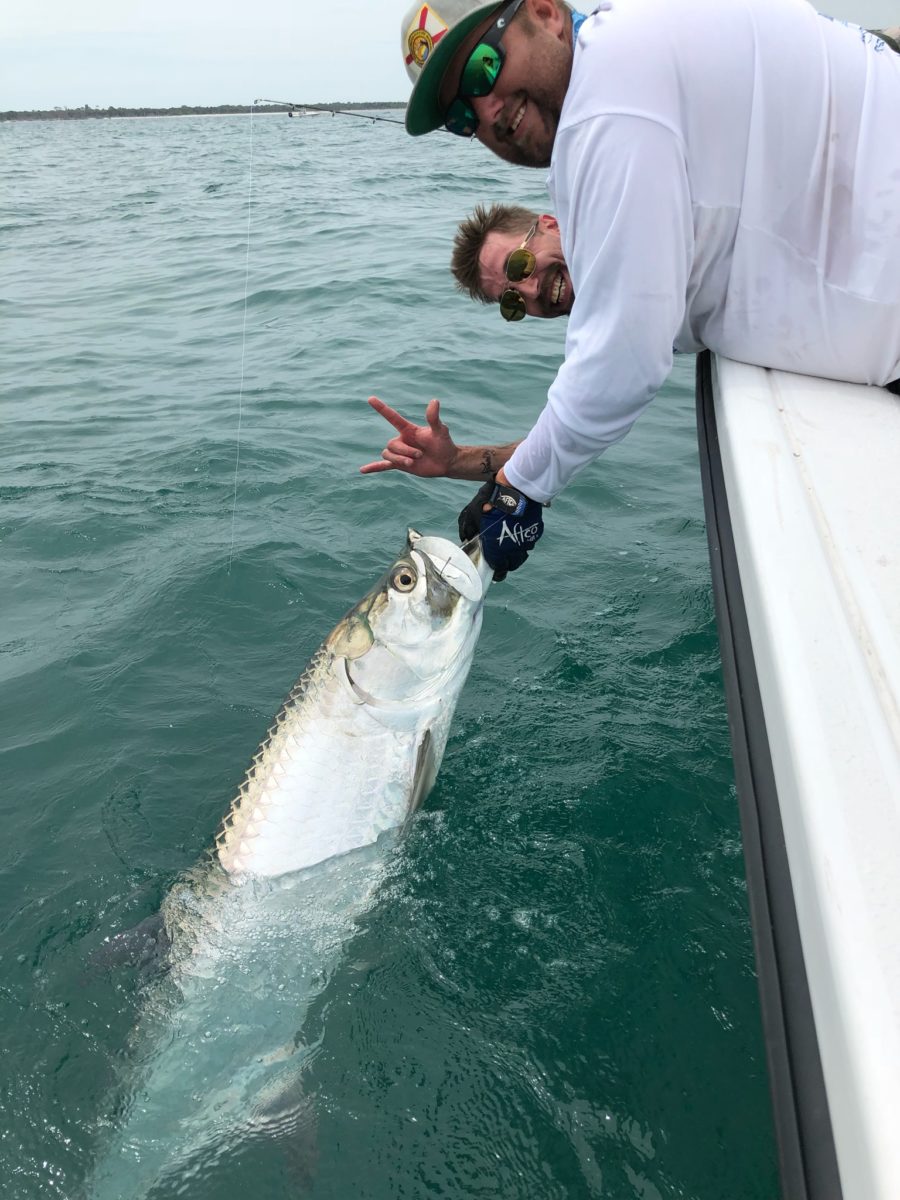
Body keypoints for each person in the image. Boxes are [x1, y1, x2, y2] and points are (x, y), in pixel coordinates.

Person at [366, 0, 900, 580]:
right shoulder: (630, 95)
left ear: (544, 12)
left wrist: (522, 490)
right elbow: (596, 395)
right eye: (463, 119)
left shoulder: (605, 100)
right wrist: (465, 465)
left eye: (483, 70)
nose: (487, 112)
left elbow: (621, 361)